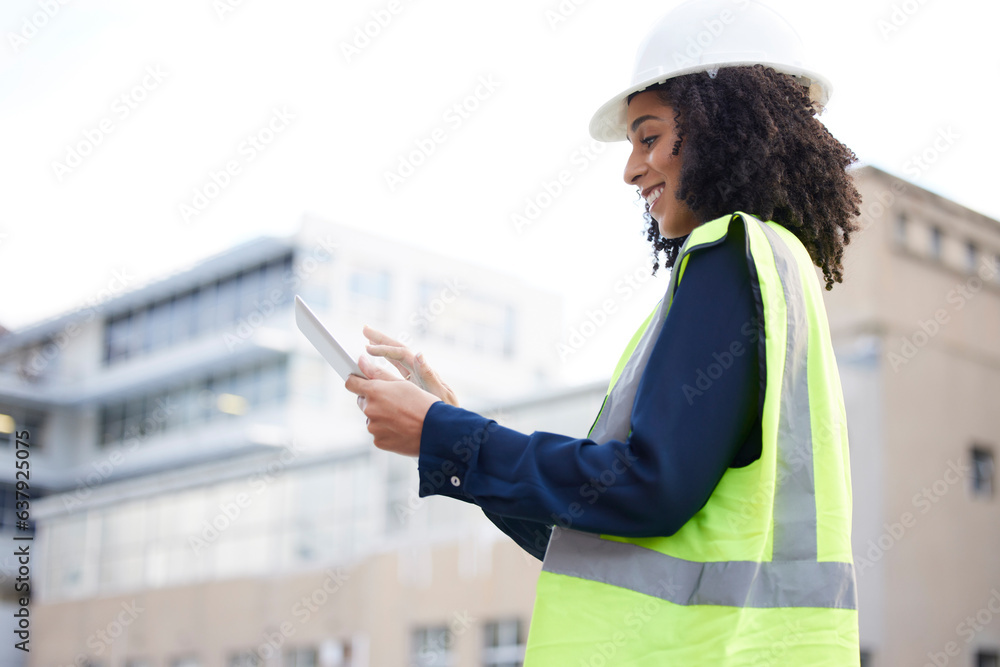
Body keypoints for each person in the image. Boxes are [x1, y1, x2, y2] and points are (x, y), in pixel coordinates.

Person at [346, 1, 863, 663]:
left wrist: (445, 435)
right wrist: (450, 429)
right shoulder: (779, 269)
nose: (631, 168)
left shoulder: (729, 255)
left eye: (648, 137)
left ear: (721, 124)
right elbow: (608, 520)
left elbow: (646, 487)